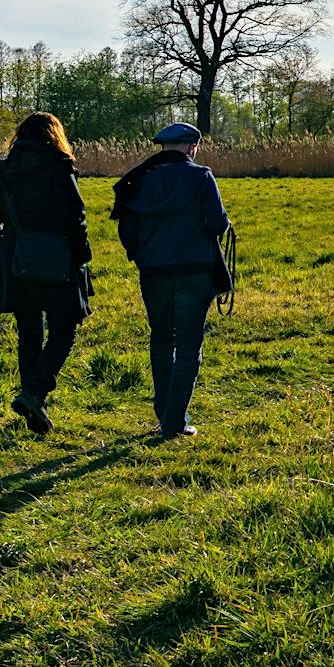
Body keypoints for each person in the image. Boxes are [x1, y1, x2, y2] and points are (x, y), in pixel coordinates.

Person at [111, 122, 232, 437]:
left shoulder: (139, 179)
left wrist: (141, 257)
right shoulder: (201, 176)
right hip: (195, 271)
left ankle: (164, 411)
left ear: (163, 147)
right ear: (192, 147)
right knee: (189, 345)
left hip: (153, 272)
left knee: (162, 338)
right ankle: (174, 420)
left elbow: (127, 229)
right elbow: (217, 224)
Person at [0, 111, 92, 436]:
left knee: (28, 332)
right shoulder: (60, 167)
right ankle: (35, 394)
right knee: (63, 331)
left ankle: (33, 401)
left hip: (17, 260)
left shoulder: (0, 171)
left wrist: (4, 249)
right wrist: (81, 254)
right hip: (58, 259)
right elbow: (76, 216)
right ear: (55, 136)